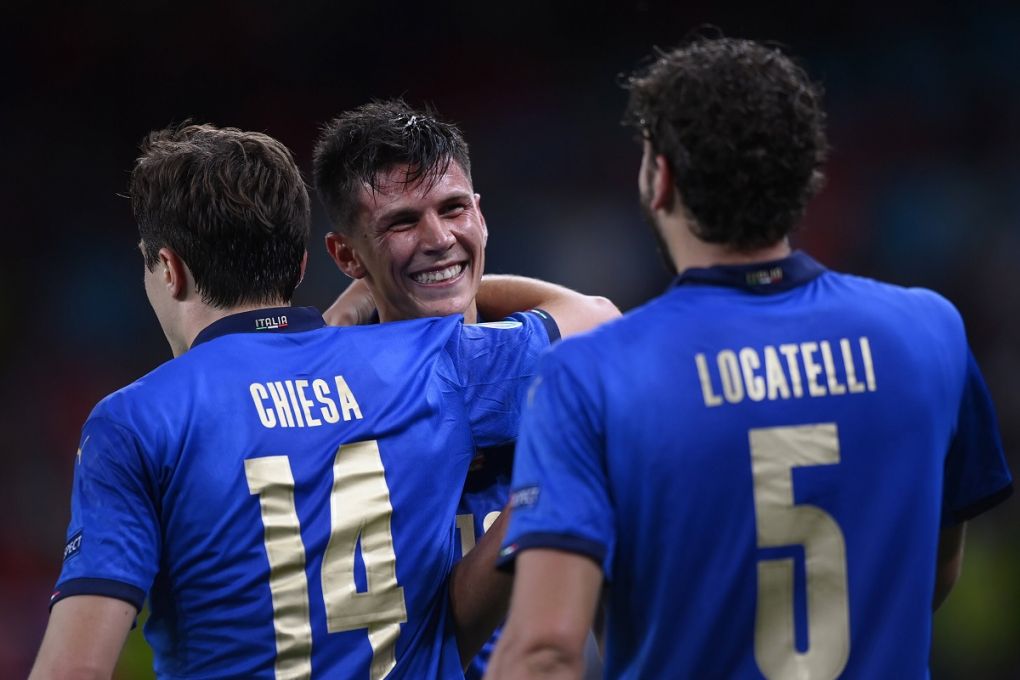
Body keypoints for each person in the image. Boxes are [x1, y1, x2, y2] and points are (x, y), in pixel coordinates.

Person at [488, 37, 1013, 679]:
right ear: (806, 175)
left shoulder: (587, 376)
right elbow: (932, 572)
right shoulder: (931, 331)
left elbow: (544, 653)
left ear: (663, 181)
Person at [29, 123, 610, 679]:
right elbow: (596, 320)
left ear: (169, 270)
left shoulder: (134, 420)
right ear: (306, 262)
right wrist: (373, 294)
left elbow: (76, 668)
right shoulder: (420, 361)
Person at [313, 99, 617, 679]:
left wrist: (358, 303)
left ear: (481, 214)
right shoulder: (544, 360)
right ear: (345, 253)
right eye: (402, 222)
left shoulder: (329, 384)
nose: (438, 238)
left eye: (454, 209)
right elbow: (600, 317)